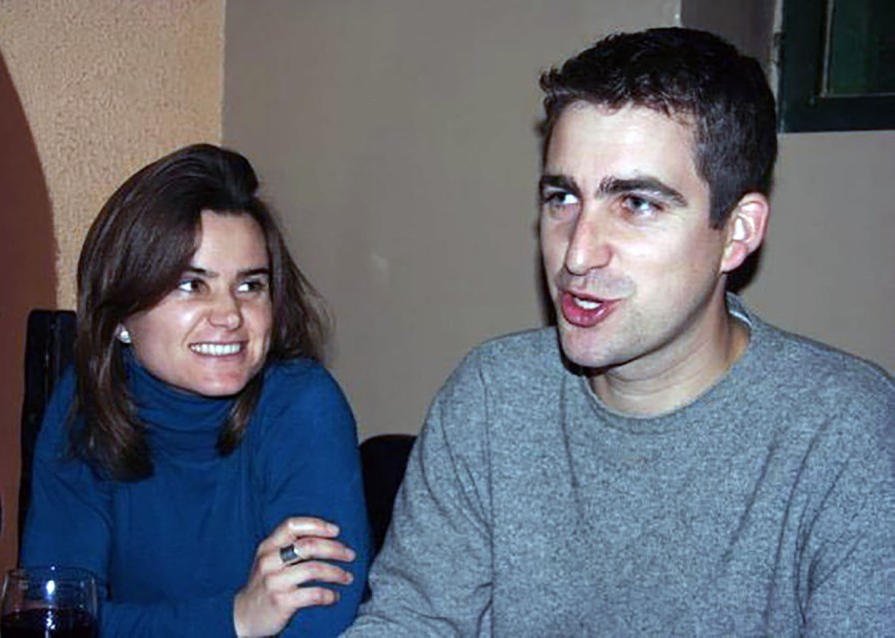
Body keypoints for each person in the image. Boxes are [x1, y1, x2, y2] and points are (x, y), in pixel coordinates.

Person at [345, 28, 894, 636]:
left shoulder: (847, 433)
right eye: (562, 197)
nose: (577, 254)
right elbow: (411, 621)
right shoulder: (492, 397)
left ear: (736, 233)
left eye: (635, 204)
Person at [21, 144, 370, 637]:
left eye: (250, 285)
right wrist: (235, 619)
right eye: (191, 284)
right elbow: (52, 619)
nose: (229, 315)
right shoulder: (86, 401)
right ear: (120, 314)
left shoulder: (302, 406)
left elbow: (316, 622)